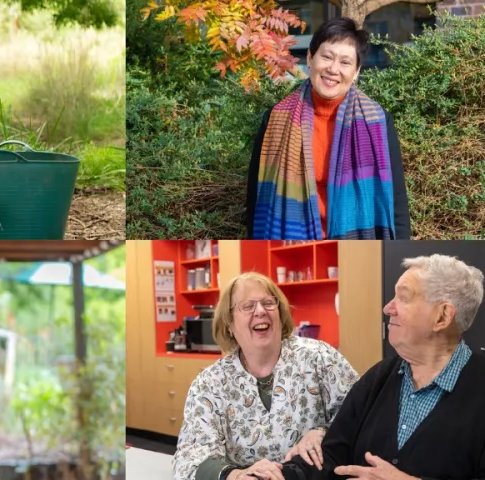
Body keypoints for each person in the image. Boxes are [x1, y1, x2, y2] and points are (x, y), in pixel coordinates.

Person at [269, 254, 485, 480]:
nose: (388, 308)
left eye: (403, 298)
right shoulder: (380, 376)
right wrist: (275, 475)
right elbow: (331, 454)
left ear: (442, 316)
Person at [172, 272, 360, 480]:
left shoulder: (319, 358)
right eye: (248, 306)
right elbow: (190, 459)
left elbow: (362, 412)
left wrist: (323, 431)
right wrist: (235, 476)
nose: (260, 311)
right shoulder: (210, 383)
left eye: (269, 303)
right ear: (229, 323)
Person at [246, 17, 410, 240]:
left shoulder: (379, 122)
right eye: (327, 57)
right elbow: (257, 198)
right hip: (291, 242)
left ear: (356, 72)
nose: (333, 69)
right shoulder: (275, 119)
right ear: (310, 59)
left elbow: (397, 201)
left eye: (345, 62)